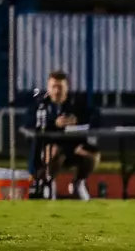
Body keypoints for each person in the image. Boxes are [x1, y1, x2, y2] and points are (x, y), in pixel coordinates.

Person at [29, 70, 100, 200]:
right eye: (53, 87)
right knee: (54, 151)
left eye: (60, 87)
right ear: (48, 88)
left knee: (93, 155)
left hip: (73, 147)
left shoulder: (77, 103)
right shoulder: (41, 105)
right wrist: (54, 123)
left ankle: (78, 183)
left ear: (67, 87)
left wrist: (77, 120)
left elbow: (95, 117)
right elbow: (29, 123)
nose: (56, 91)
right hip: (51, 148)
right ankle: (49, 184)